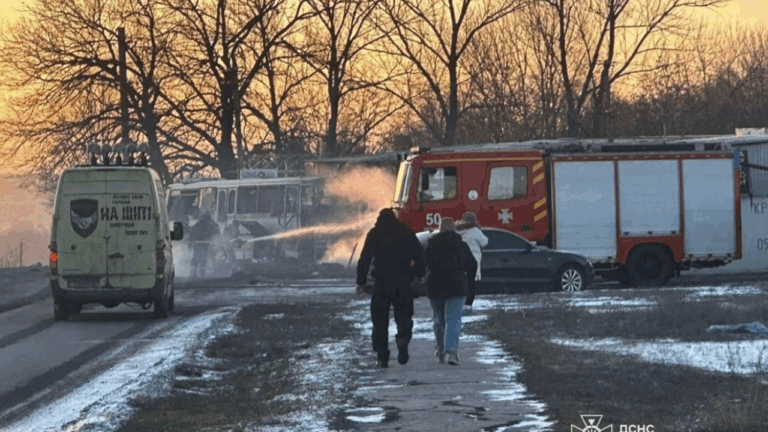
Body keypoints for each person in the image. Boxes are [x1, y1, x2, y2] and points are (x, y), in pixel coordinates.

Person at [357, 208, 426, 368]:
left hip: (381, 283)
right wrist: (418, 273)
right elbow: (419, 255)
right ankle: (402, 340)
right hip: (403, 282)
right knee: (404, 316)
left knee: (379, 321)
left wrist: (361, 281)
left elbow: (365, 258)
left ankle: (382, 357)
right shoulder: (405, 232)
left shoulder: (374, 233)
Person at [425, 217, 477, 366]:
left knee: (438, 320)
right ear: (454, 229)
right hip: (457, 287)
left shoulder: (431, 245)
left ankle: (440, 349)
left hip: (435, 287)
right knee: (453, 320)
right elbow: (472, 265)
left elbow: (424, 263)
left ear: (440, 229)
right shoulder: (461, 245)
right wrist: (468, 281)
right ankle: (452, 352)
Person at [456, 211, 488, 310]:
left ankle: (458, 303)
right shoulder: (474, 230)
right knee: (471, 284)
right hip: (472, 259)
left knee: (460, 282)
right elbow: (484, 242)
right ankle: (468, 305)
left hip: (458, 259)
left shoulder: (456, 230)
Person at [188, 211, 220, 278]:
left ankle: (196, 274)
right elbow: (217, 232)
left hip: (201, 245)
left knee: (199, 259)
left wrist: (190, 243)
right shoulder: (210, 224)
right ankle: (199, 274)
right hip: (203, 245)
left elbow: (191, 234)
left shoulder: (199, 225)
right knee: (201, 259)